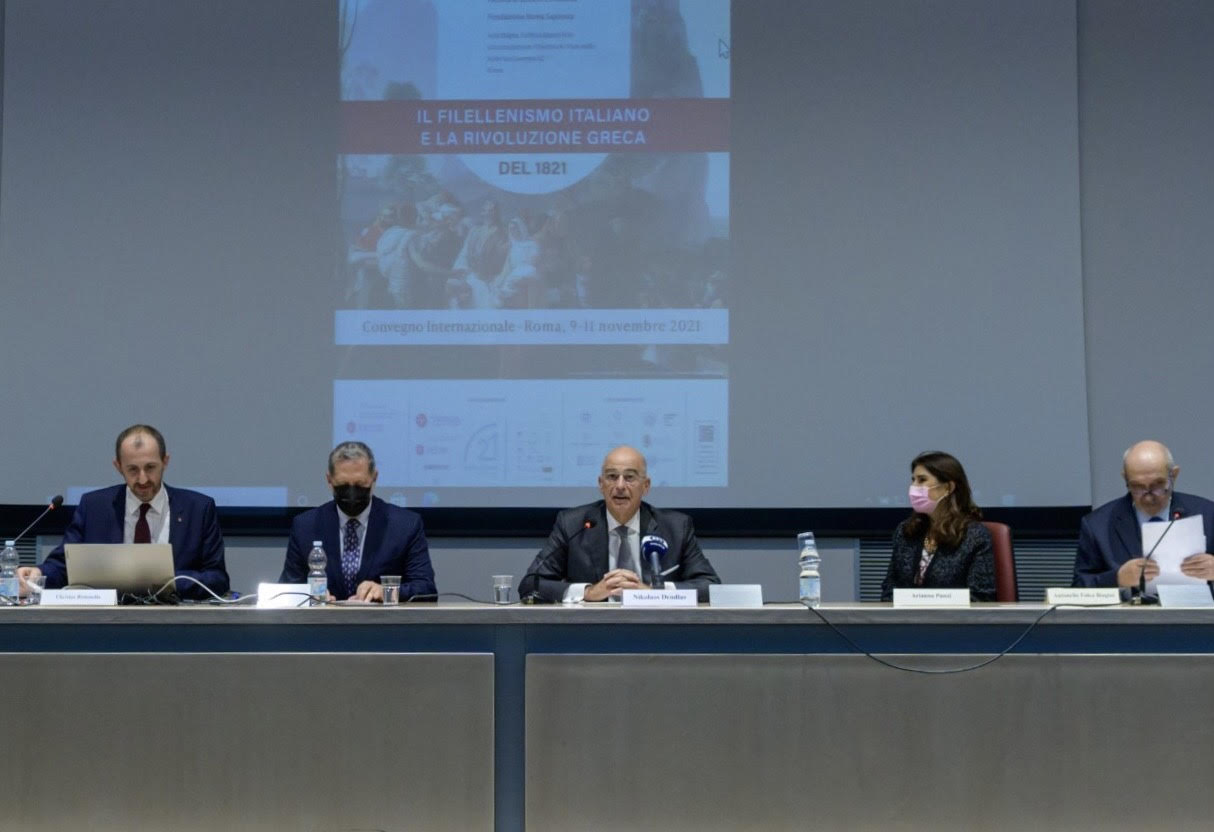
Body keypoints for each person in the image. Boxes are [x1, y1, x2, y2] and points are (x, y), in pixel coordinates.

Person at [17, 424, 229, 601]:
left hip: (176, 623)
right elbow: (63, 565)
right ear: (118, 466)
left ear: (165, 461)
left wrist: (166, 582)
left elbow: (217, 579)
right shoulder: (94, 507)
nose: (143, 479)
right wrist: (38, 574)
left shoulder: (198, 509)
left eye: (150, 467)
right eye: (133, 469)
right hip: (106, 623)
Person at [518, 445, 720, 603]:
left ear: (646, 486)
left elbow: (710, 586)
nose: (620, 486)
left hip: (656, 627)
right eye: (612, 477)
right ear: (601, 484)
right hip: (591, 630)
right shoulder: (573, 525)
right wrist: (589, 592)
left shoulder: (675, 528)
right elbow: (530, 585)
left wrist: (654, 593)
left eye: (629, 477)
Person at [279, 441, 436, 602]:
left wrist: (387, 592)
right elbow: (285, 591)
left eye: (360, 485)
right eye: (343, 486)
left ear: (374, 478)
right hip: (324, 617)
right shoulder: (306, 526)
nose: (352, 493)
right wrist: (309, 595)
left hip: (382, 618)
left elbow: (427, 590)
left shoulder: (405, 525)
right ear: (329, 480)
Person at [1072, 440, 1214, 594]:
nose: (1148, 496)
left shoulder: (1209, 514)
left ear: (1174, 475)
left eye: (1157, 485)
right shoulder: (1097, 526)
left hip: (1196, 609)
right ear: (1125, 479)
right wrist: (1116, 578)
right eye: (1138, 487)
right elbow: (1078, 588)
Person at [880, 451, 995, 602]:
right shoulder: (905, 531)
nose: (913, 487)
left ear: (948, 487)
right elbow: (889, 590)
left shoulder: (974, 536)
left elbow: (981, 598)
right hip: (906, 617)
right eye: (913, 480)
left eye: (922, 480)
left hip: (954, 617)